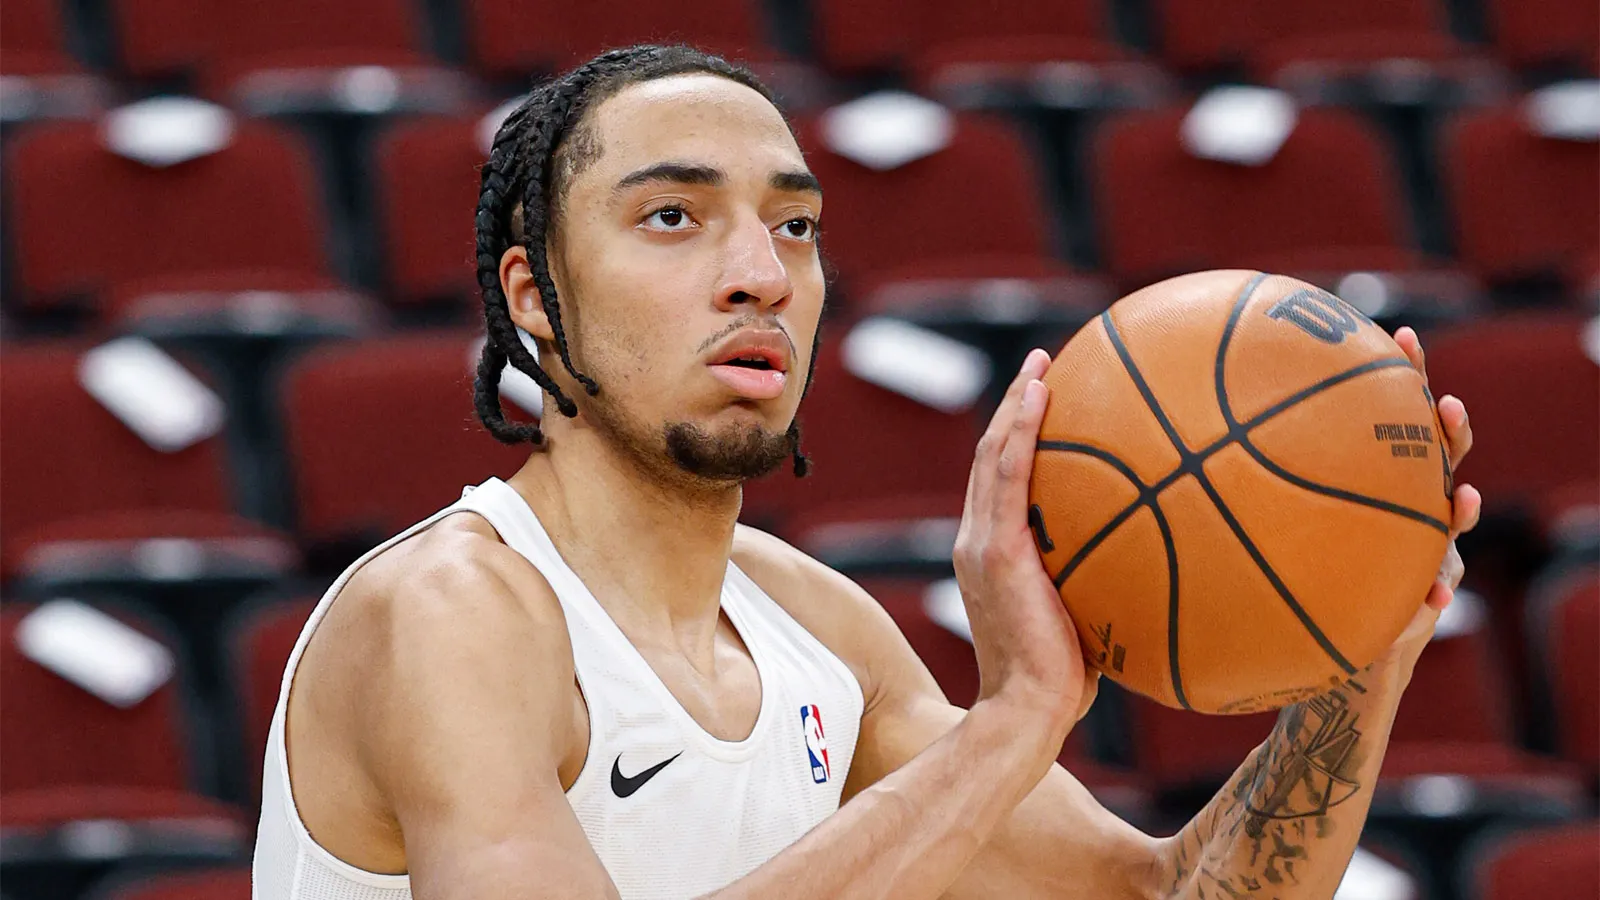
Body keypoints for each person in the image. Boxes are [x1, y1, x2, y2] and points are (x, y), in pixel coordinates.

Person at [251, 44, 1481, 900]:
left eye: (792, 225)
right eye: (673, 217)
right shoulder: (451, 614)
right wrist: (1014, 722)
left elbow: (1172, 897)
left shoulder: (812, 628)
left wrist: (1356, 647)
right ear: (533, 295)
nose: (760, 275)